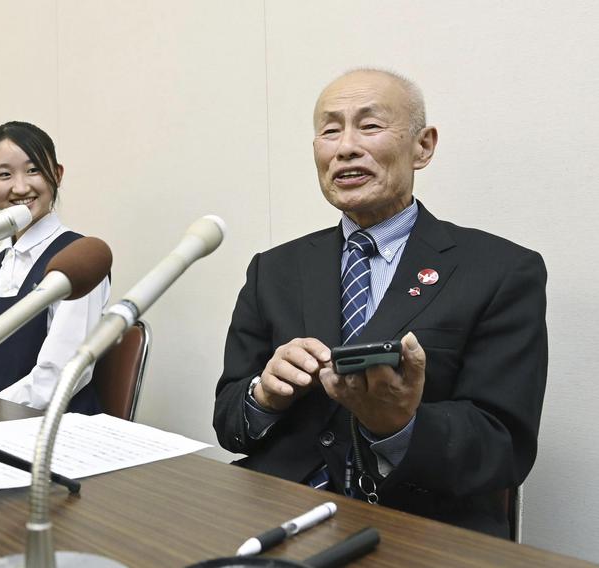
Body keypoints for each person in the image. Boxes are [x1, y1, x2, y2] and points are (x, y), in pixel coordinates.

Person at [213, 69, 548, 538]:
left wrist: (399, 425)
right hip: (277, 512)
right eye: (330, 130)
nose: (345, 146)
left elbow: (503, 448)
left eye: (369, 126)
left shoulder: (500, 271)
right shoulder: (274, 269)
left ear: (423, 146)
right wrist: (264, 397)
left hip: (420, 526)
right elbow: (229, 422)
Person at [0, 121, 109, 413]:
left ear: (57, 174)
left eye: (33, 170)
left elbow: (59, 375)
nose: (20, 187)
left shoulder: (79, 260)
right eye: (4, 174)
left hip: (59, 428)